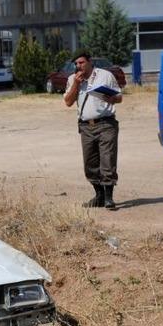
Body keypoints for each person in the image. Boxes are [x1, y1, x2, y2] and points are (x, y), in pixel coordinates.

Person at [63, 50, 122, 209]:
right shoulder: (72, 79)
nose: (79, 66)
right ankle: (99, 196)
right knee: (90, 163)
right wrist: (76, 84)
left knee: (107, 160)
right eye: (76, 63)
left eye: (81, 62)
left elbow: (119, 97)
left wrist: (112, 98)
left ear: (89, 62)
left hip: (106, 124)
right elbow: (68, 102)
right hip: (86, 126)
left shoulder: (105, 75)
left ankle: (109, 197)